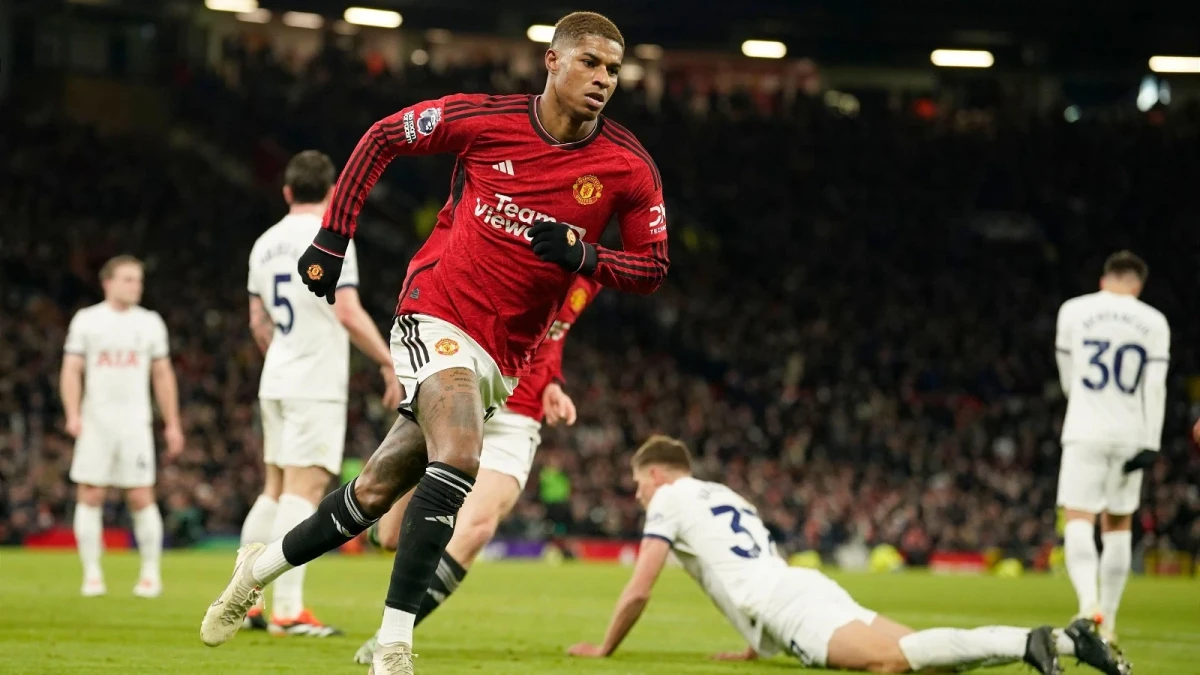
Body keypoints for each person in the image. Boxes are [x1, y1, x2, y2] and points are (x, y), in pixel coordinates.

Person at [200, 11, 669, 674]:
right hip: (435, 311)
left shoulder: (625, 167)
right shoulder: (486, 119)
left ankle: (258, 568)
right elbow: (382, 137)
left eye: (613, 69)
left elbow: (652, 267)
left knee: (372, 491)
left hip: (503, 357)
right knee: (460, 455)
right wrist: (333, 237)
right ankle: (394, 643)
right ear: (552, 62)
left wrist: (587, 253)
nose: (602, 79)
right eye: (589, 62)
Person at [568, 436, 1131, 675]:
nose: (637, 493)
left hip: (787, 606)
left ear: (659, 473)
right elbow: (742, 559)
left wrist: (604, 649)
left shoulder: (666, 498)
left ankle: (1027, 642)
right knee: (917, 659)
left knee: (895, 662)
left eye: (638, 482)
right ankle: (1062, 640)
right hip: (804, 589)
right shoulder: (724, 493)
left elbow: (640, 587)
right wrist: (753, 642)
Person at [353, 276, 602, 665]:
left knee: (477, 529)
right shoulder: (513, 229)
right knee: (388, 535)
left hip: (519, 413)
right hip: (464, 387)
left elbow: (552, 334)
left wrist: (551, 380)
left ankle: (391, 638)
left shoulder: (592, 273)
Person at [239, 150, 401, 637]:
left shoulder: (263, 244)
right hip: (314, 381)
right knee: (302, 492)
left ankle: (246, 600)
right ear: (332, 192)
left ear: (287, 192)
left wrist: (283, 352)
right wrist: (386, 360)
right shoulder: (333, 238)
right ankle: (287, 611)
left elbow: (258, 323)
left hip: (277, 378)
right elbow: (347, 312)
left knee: (273, 489)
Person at [1054, 250, 1169, 642]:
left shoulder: (1073, 310)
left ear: (1104, 279)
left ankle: (1089, 606)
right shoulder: (1154, 321)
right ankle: (1112, 622)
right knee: (1118, 523)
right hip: (1130, 433)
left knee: (1078, 518)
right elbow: (1154, 386)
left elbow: (1068, 376)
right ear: (1138, 285)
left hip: (1084, 427)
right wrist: (1150, 441)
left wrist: (1083, 405)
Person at [60, 255, 184, 598]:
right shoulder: (87, 320)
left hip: (135, 422)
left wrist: (172, 423)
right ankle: (92, 574)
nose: (135, 286)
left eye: (138, 280)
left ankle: (150, 574)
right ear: (108, 283)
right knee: (91, 493)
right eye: (128, 279)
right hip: (97, 421)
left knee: (142, 496)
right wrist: (73, 413)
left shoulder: (150, 323)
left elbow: (162, 375)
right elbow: (71, 369)